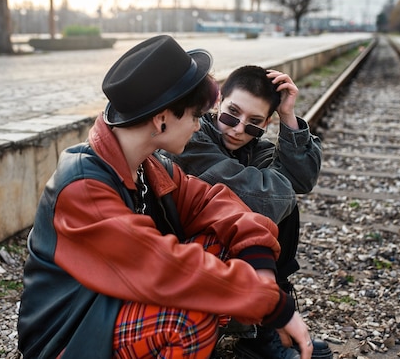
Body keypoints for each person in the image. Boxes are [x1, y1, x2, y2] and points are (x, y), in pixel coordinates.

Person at [17, 35, 314, 359]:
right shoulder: (82, 186)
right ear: (161, 120)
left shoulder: (149, 167)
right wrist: (272, 304)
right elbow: (161, 267)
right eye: (195, 116)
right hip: (70, 334)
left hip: (112, 304)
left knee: (223, 245)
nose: (199, 125)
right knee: (188, 319)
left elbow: (216, 203)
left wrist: (260, 265)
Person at [161, 65, 328, 359]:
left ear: (266, 124)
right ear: (218, 102)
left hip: (210, 260)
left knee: (282, 208)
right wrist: (278, 185)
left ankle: (264, 329)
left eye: (254, 123)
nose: (238, 129)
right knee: (265, 208)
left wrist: (288, 117)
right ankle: (259, 324)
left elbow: (302, 179)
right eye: (231, 114)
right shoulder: (192, 140)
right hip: (176, 260)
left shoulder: (255, 149)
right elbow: (267, 200)